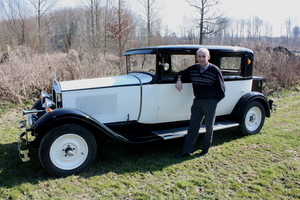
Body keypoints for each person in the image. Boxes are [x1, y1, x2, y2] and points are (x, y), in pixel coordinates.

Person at [174, 48, 225, 158]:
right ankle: (186, 151)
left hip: (210, 102)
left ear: (208, 57)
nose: (201, 59)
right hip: (197, 101)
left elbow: (222, 91)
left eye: (204, 56)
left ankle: (205, 150)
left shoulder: (215, 70)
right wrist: (179, 80)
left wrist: (213, 102)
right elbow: (181, 73)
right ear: (197, 57)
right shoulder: (193, 69)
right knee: (193, 126)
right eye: (199, 56)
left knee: (208, 127)